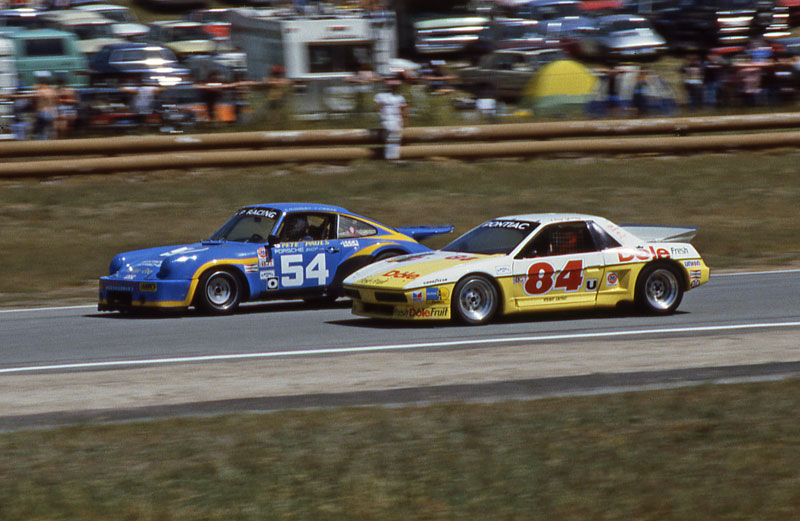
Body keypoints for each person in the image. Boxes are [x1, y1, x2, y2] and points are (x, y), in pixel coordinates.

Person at [374, 74, 407, 161]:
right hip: (388, 119)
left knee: (394, 139)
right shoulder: (380, 95)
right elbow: (377, 107)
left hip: (397, 120)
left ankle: (392, 157)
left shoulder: (400, 97)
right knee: (393, 137)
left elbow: (404, 109)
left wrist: (405, 120)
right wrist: (381, 116)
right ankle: (392, 158)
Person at [33, 71, 58, 140]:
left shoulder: (38, 91)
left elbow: (34, 102)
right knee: (50, 131)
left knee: (41, 131)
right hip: (50, 112)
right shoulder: (52, 91)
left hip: (41, 111)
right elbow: (55, 102)